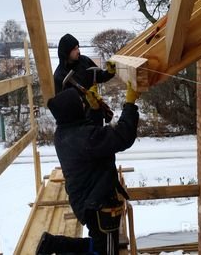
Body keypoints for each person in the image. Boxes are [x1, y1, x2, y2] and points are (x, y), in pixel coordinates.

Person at [36, 81, 140, 255]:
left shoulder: (65, 132)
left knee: (100, 245)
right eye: (81, 103)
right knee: (107, 251)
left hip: (88, 198)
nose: (83, 104)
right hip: (97, 203)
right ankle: (54, 244)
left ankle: (52, 244)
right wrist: (130, 104)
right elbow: (122, 136)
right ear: (73, 110)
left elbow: (91, 135)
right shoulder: (82, 138)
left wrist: (95, 110)